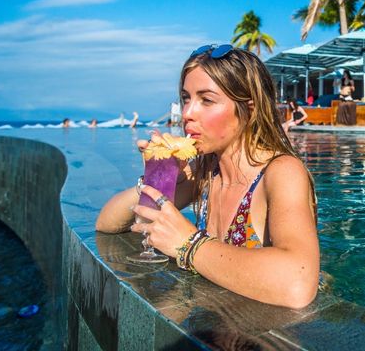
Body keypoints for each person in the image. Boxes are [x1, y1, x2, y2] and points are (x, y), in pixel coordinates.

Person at [96, 45, 319, 308]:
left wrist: (188, 244)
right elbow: (108, 223)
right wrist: (157, 177)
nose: (188, 113)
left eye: (207, 100)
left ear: (249, 110)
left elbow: (298, 284)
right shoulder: (205, 172)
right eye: (186, 98)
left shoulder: (281, 172)